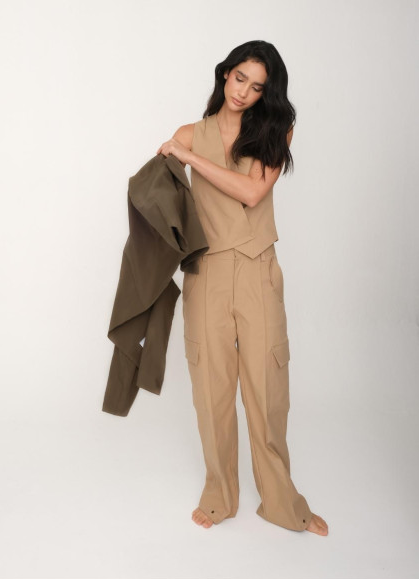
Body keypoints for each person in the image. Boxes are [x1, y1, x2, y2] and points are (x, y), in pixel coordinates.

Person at [157, 40, 328, 536]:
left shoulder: (276, 129)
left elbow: (253, 192)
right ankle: (220, 496)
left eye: (257, 87)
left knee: (268, 388)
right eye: (239, 79)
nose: (244, 92)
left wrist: (189, 158)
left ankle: (283, 503)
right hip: (206, 271)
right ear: (225, 74)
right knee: (211, 388)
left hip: (257, 269)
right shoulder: (189, 134)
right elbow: (162, 203)